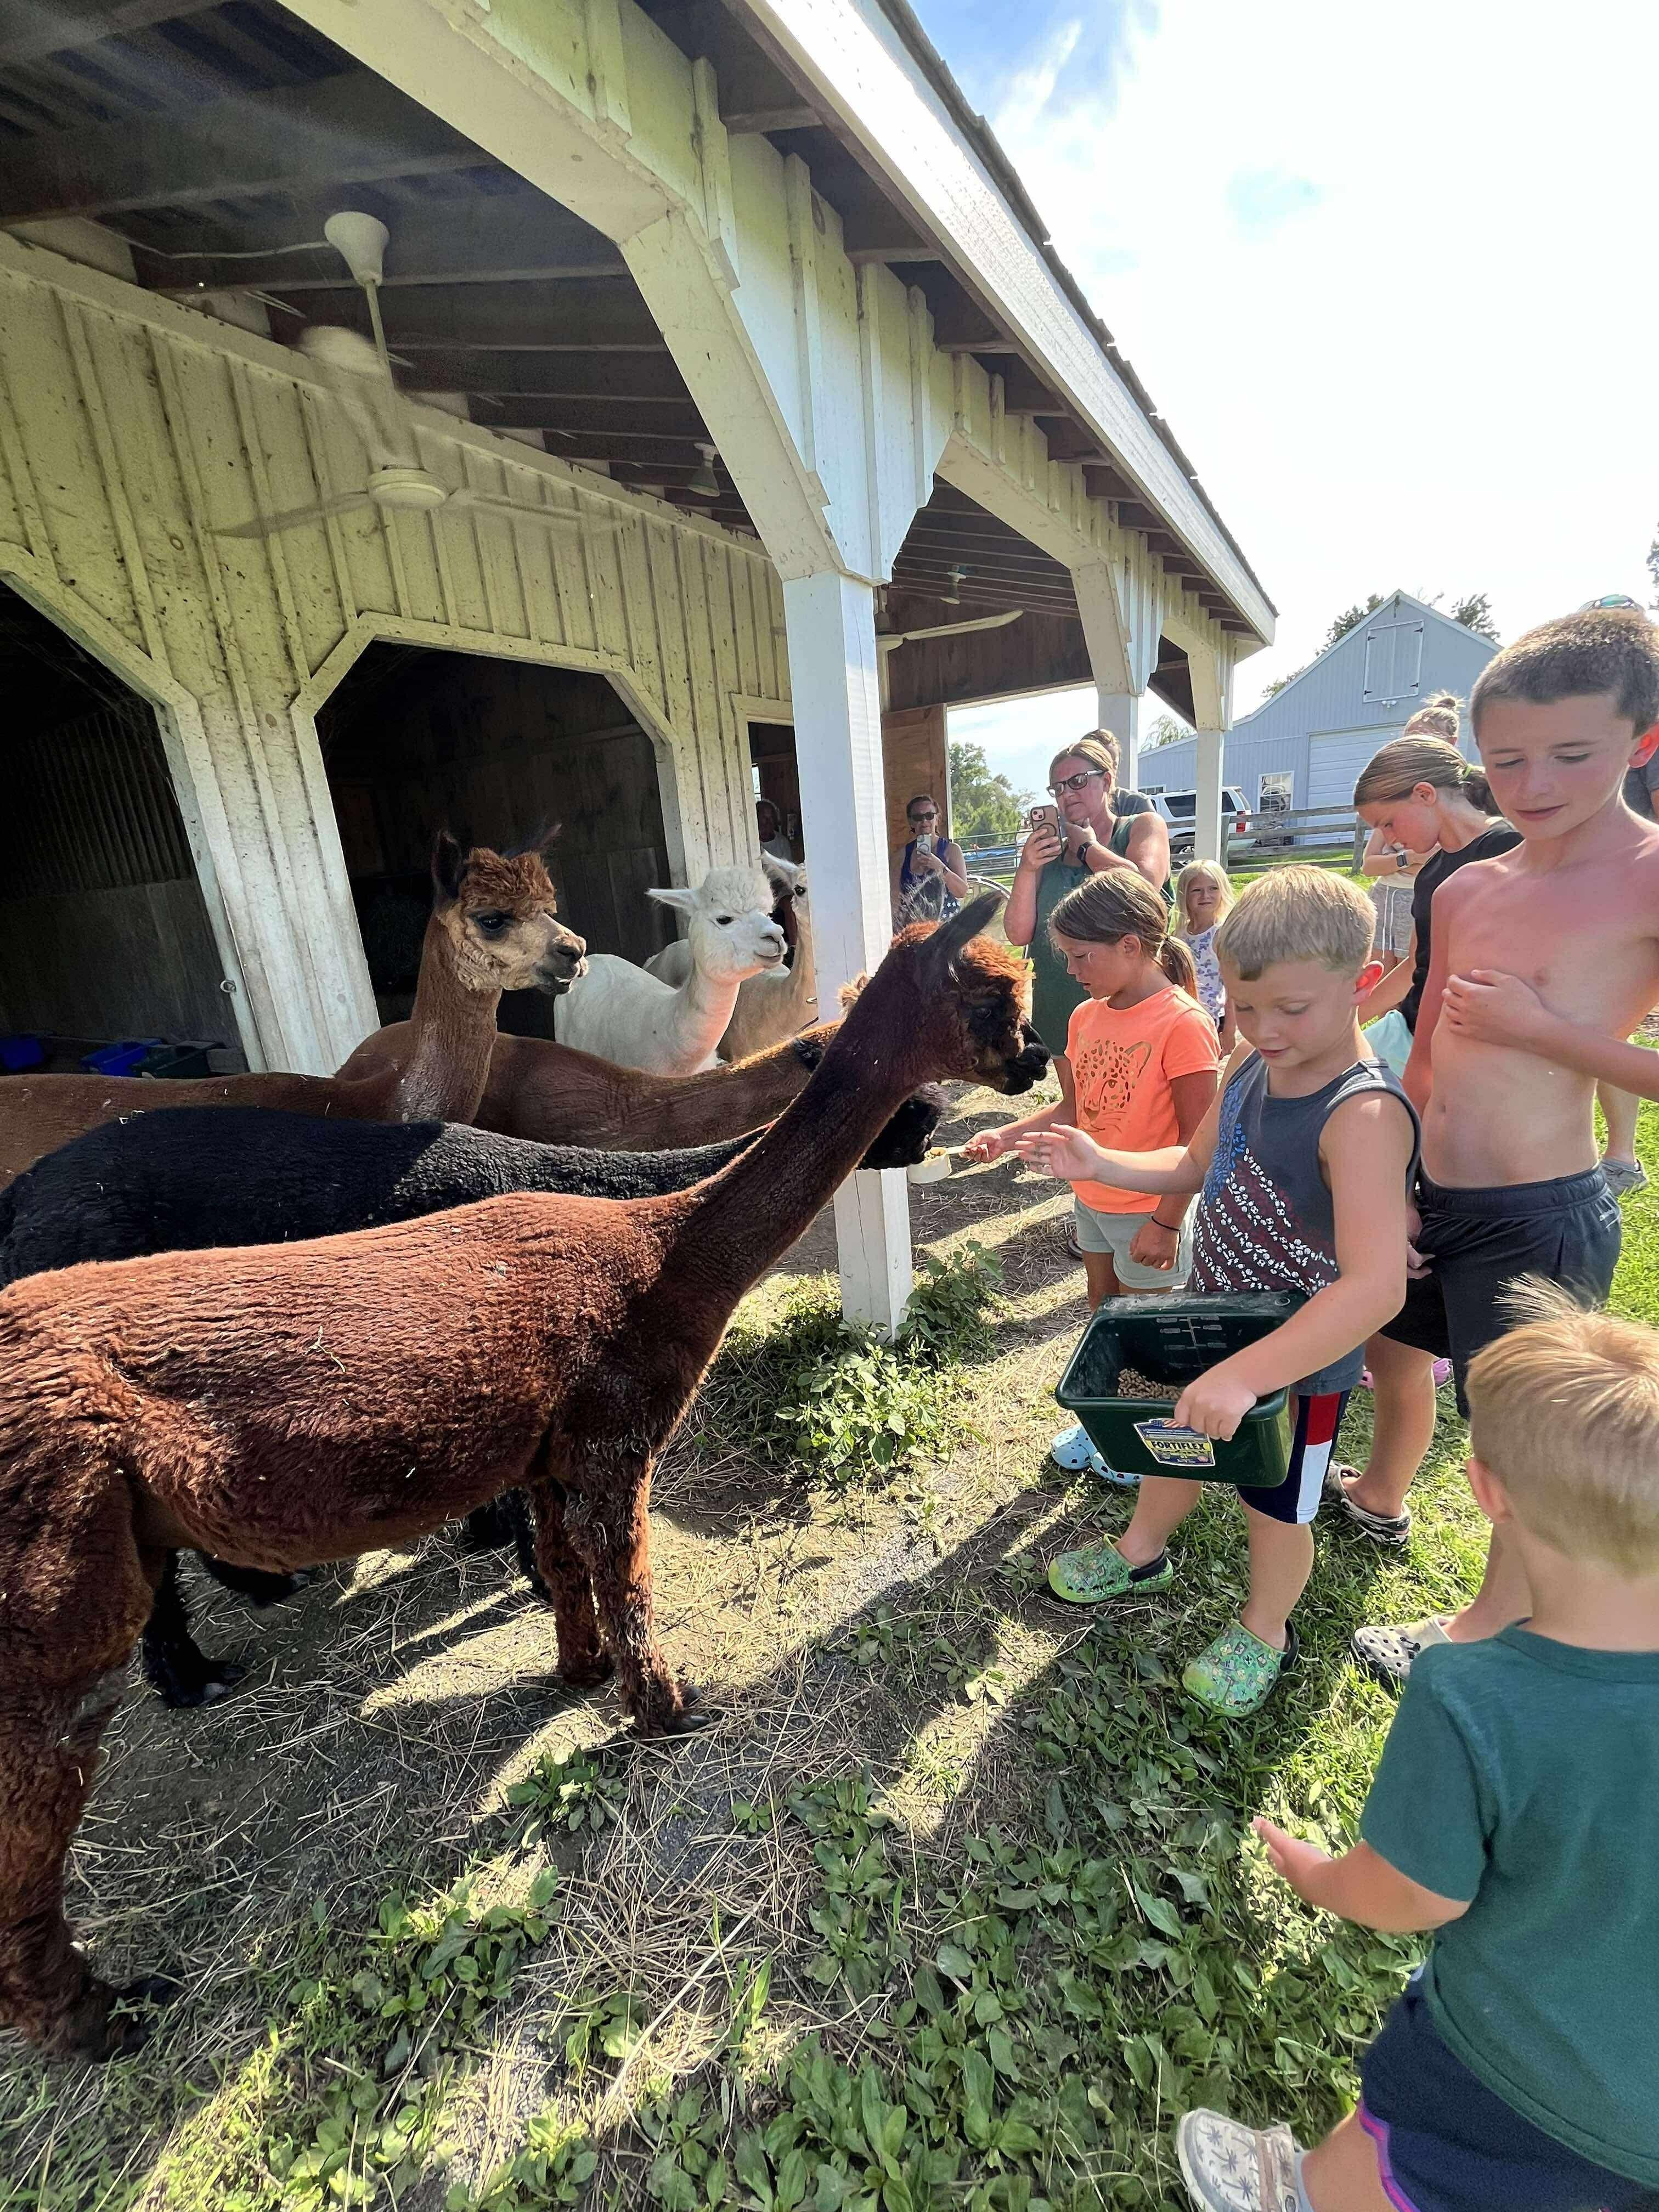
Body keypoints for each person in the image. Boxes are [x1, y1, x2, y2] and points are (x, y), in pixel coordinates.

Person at [1172, 1285, 1659, 2212]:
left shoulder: (1474, 1691)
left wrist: (1317, 1876)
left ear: (1484, 1494)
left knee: (1391, 2153)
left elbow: (1412, 1892)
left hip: (1512, 2065)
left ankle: (1297, 2193)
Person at [1016, 868, 1418, 1716]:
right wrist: (1104, 1161)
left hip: (1300, 1364)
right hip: (1209, 1320)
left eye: (1292, 1010)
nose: (1264, 1030)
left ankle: (1266, 1626)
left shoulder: (1363, 1114)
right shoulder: (1246, 1064)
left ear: (1365, 982)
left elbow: (1377, 1287)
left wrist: (1251, 1375)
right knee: (1174, 1440)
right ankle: (1142, 1548)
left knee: (1277, 1501)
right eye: (1244, 1006)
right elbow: (1195, 1164)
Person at [1352, 605, 1659, 1679]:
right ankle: (1380, 1497)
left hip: (1538, 1215)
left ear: (1643, 741)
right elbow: (1424, 1052)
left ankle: (1486, 1639)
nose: (1533, 783)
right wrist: (1395, 1192)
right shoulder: (1471, 882)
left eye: (1571, 754)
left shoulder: (1646, 877)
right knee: (1392, 1353)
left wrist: (1554, 1035)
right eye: (1508, 758)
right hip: (1431, 1192)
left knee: (1517, 1448)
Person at [962, 872, 1220, 1481]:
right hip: (1095, 1201)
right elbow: (1072, 1110)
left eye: (1082, 956)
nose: (1073, 970)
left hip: (1150, 1211)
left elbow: (1197, 1147)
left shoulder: (1183, 1024)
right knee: (1106, 1314)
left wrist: (1165, 1222)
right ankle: (1108, 1422)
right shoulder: (1084, 1018)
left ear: (1131, 945)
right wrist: (1008, 1136)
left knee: (1152, 1337)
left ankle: (1150, 1447)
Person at [1347, 699, 1517, 1082]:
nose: (1389, 840)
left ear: (1425, 794)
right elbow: (1414, 967)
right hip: (1412, 1027)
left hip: (1470, 1044)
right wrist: (1347, 1020)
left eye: (1388, 823)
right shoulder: (1431, 872)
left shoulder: (1507, 849)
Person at [1002, 731, 1172, 1069]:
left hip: (1131, 1007)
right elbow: (1018, 934)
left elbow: (1143, 887)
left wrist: (1087, 849)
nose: (1067, 794)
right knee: (1080, 1110)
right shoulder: (1047, 857)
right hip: (1061, 1007)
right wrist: (1027, 868)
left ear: (1106, 780)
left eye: (1078, 781)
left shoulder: (1142, 826)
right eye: (1058, 787)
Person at [1173, 859, 1235, 1048]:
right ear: (1185, 894)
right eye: (1197, 891)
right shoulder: (1179, 934)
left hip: (1211, 1018)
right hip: (1182, 1016)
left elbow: (1232, 987)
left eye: (1213, 889)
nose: (1205, 896)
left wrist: (1230, 1031)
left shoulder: (1221, 934)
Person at [891, 794, 968, 925]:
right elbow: (894, 900)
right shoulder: (901, 856)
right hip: (914, 929)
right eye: (918, 817)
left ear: (937, 819)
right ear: (911, 822)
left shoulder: (952, 851)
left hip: (947, 927)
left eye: (929, 816)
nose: (924, 821)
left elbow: (962, 892)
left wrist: (940, 868)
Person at [755, 798, 797, 865]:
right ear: (757, 818)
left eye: (771, 817)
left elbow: (789, 870)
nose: (768, 822)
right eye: (764, 818)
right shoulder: (752, 843)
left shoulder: (782, 842)